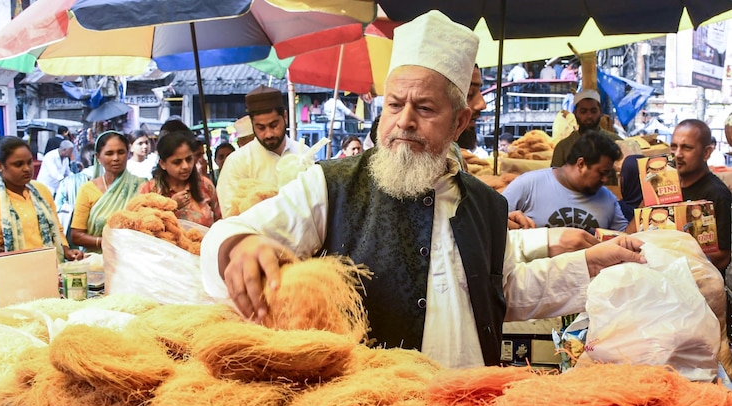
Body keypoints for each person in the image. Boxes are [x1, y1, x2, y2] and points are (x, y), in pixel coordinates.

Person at [200, 10, 645, 369]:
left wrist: (588, 264)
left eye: (425, 107)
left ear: (459, 122)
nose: (404, 121)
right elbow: (224, 235)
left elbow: (507, 291)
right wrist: (238, 244)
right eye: (394, 104)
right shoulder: (331, 186)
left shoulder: (488, 206)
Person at [0, 136, 83, 263]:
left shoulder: (41, 191)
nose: (27, 169)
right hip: (8, 275)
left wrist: (66, 250)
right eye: (18, 164)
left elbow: (56, 229)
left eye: (29, 162)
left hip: (49, 271)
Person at [502, 131, 629, 233]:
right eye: (602, 173)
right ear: (581, 164)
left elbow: (626, 237)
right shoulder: (528, 185)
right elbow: (493, 222)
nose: (605, 180)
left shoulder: (607, 199)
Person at [216, 85, 310, 217]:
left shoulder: (304, 154)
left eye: (274, 125)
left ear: (285, 117)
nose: (268, 134)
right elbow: (232, 216)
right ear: (252, 124)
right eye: (261, 127)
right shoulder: (237, 162)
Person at [670, 119, 731, 272]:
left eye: (686, 148)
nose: (677, 154)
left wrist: (676, 251)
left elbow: (723, 257)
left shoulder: (717, 194)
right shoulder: (668, 187)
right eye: (673, 146)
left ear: (706, 153)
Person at [71, 131, 144, 252]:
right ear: (98, 157)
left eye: (121, 152)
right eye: (109, 153)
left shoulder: (141, 186)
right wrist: (107, 242)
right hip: (97, 261)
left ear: (128, 154)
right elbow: (77, 236)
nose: (116, 158)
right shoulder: (87, 190)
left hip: (133, 257)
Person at [140, 132, 219, 226]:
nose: (185, 166)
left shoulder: (204, 185)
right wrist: (170, 206)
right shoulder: (149, 190)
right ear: (163, 164)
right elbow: (142, 225)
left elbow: (220, 221)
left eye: (189, 159)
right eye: (177, 162)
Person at [550, 89, 622, 168]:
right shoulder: (563, 147)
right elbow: (555, 177)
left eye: (593, 111)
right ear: (575, 113)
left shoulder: (615, 141)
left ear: (600, 113)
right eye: (583, 112)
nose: (589, 116)